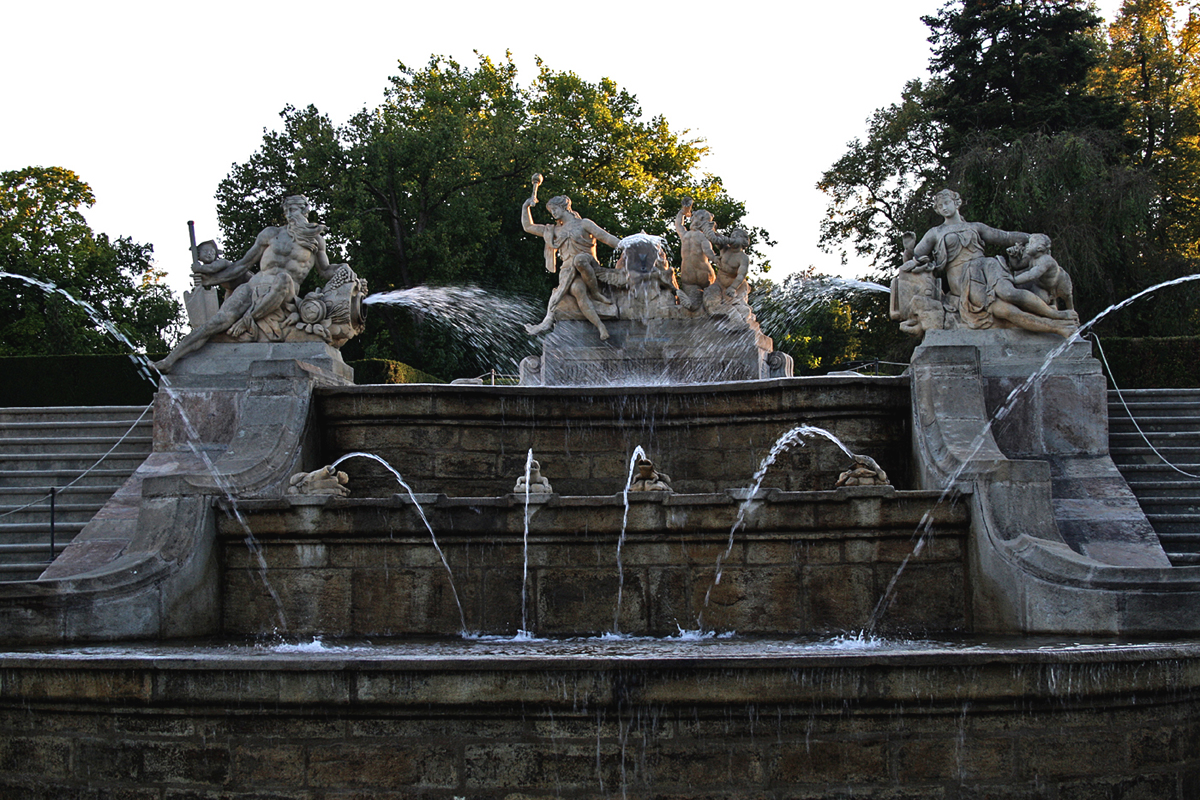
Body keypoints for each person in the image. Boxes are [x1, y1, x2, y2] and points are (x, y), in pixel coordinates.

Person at [154, 195, 339, 372]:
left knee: (283, 278)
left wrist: (344, 270)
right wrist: (211, 279)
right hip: (254, 286)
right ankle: (170, 360)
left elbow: (325, 270)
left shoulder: (315, 240)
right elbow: (242, 265)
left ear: (305, 210)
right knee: (217, 322)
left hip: (284, 292)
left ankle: (248, 319)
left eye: (294, 209)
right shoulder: (271, 234)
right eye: (287, 210)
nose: (290, 214)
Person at [901, 189, 1077, 336]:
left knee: (1010, 293)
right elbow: (913, 259)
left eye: (947, 203)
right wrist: (908, 249)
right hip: (963, 279)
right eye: (940, 206)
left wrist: (1032, 238)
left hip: (987, 266)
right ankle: (1058, 327)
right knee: (1003, 310)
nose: (944, 208)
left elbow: (1004, 237)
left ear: (957, 203)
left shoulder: (975, 226)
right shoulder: (935, 232)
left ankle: (1057, 315)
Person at [522, 193, 620, 340]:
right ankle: (601, 327)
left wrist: (626, 245)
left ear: (564, 207)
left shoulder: (584, 224)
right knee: (577, 290)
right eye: (551, 211)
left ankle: (595, 293)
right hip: (568, 272)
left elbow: (606, 237)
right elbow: (528, 226)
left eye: (555, 209)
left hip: (589, 266)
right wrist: (526, 207)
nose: (553, 213)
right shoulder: (555, 230)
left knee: (579, 260)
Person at [674, 198, 717, 311]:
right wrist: (717, 259)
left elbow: (678, 224)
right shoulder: (702, 237)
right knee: (712, 302)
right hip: (704, 274)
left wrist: (682, 212)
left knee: (694, 306)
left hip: (688, 276)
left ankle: (686, 299)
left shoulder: (685, 235)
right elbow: (708, 252)